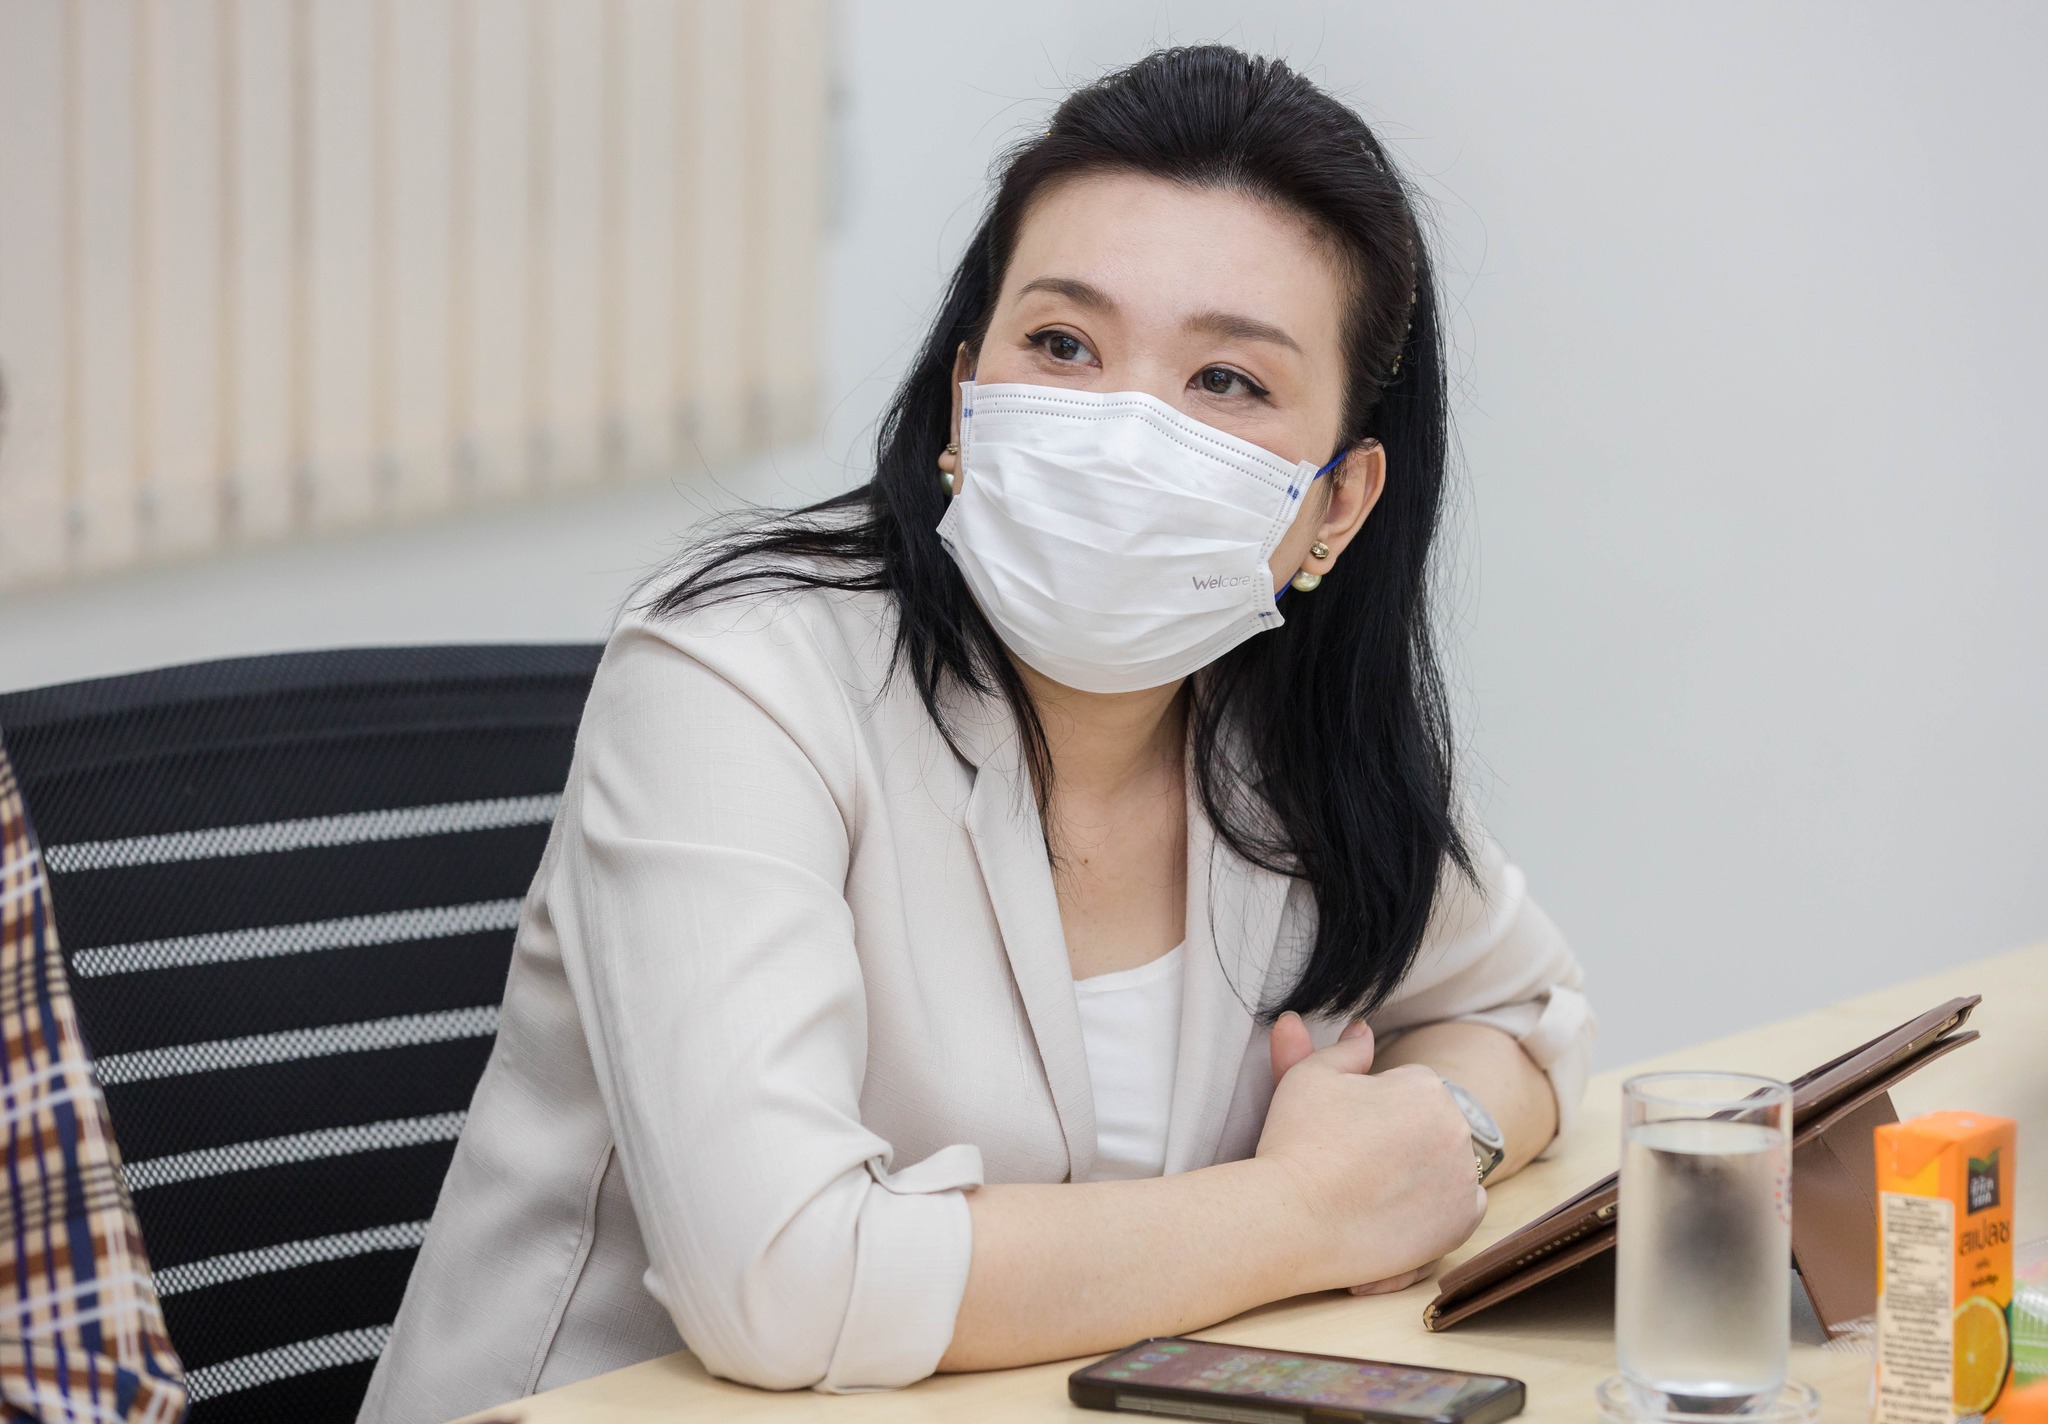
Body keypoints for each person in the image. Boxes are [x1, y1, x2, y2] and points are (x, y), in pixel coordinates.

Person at [361, 44, 1592, 1420]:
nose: (1122, 432)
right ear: (964, 399)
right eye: (1062, 345)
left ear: (1338, 505)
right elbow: (785, 1282)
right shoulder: (735, 671)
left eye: (1226, 381)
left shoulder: (1276, 719)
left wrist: (1435, 1137)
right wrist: (1309, 1210)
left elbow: (1518, 1012)